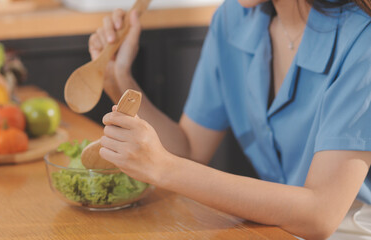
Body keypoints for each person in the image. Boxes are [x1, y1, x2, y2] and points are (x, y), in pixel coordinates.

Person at [87, 0, 371, 239]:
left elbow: (320, 214)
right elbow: (189, 150)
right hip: (275, 229)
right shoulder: (233, 18)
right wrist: (118, 78)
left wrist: (165, 168)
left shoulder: (363, 41)